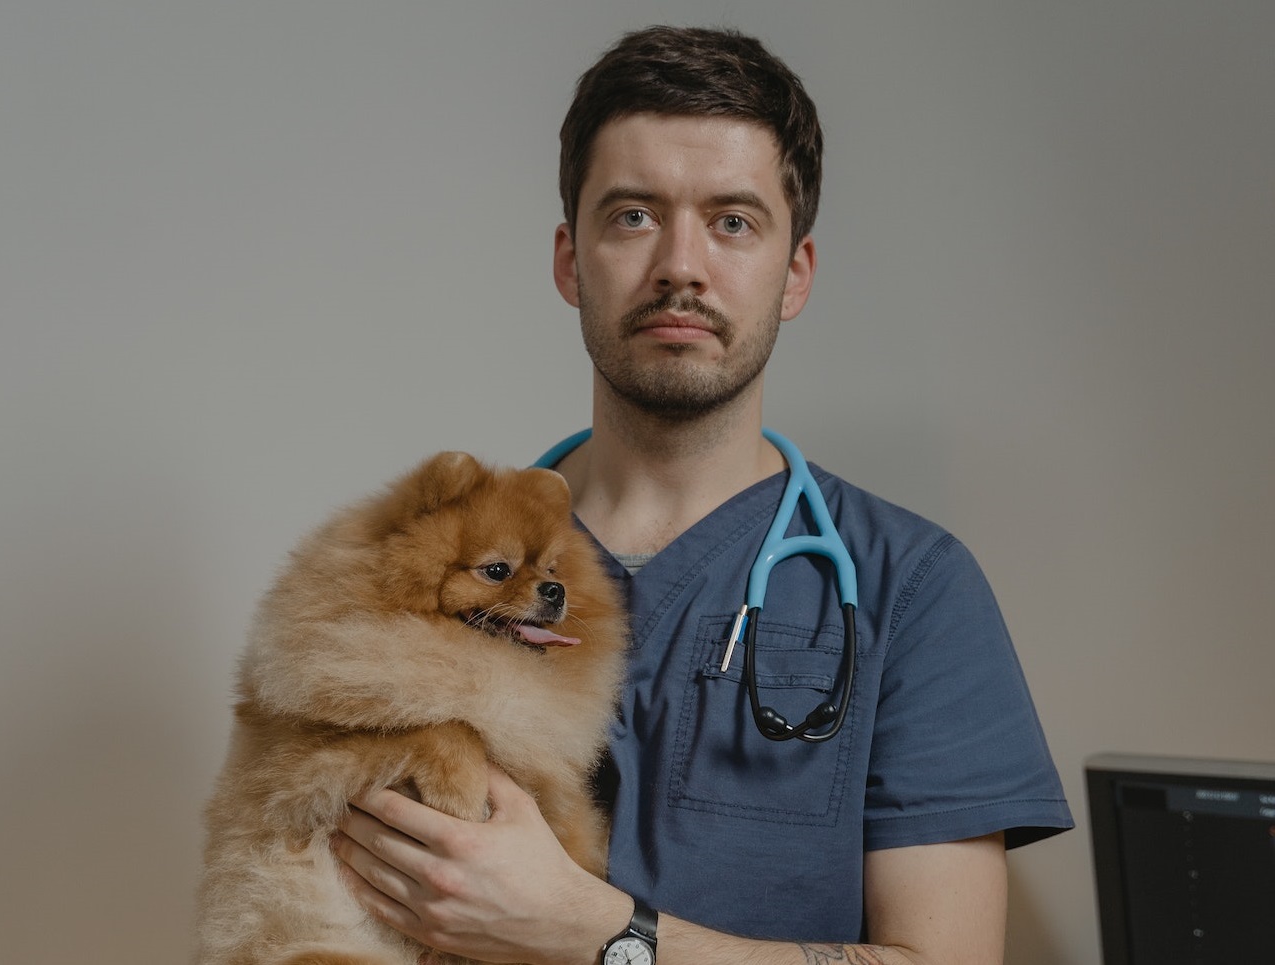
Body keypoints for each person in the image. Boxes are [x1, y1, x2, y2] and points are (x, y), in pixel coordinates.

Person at [333, 25, 1073, 965]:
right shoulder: (430, 566)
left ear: (793, 273)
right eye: (633, 215)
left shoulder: (914, 588)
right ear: (569, 260)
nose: (680, 264)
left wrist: (597, 935)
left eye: (732, 222)